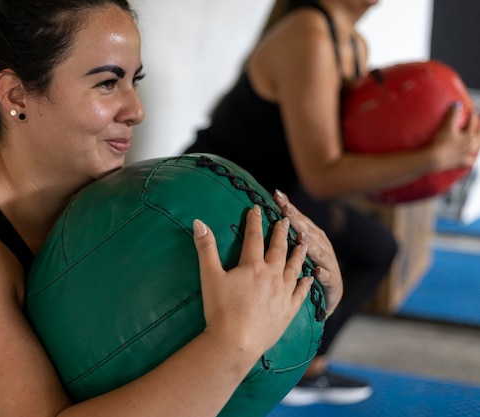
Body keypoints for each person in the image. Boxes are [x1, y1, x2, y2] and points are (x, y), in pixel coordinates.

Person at [0, 1, 344, 416]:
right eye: (108, 83)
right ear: (16, 94)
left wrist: (303, 295)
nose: (136, 109)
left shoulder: (100, 203)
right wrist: (230, 347)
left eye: (134, 80)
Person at [184, 0, 480, 407]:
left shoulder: (351, 42)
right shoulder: (309, 34)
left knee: (374, 247)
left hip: (279, 191)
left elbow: (345, 154)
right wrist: (434, 159)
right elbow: (323, 174)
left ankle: (306, 368)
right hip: (224, 192)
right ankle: (282, 368)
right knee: (370, 249)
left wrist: (432, 154)